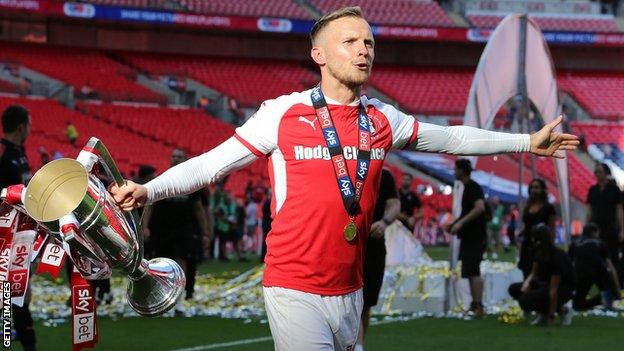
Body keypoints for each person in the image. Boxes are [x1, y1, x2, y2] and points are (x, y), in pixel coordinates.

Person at [108, 7, 578, 349]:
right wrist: (149, 189)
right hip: (294, 286)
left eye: (369, 42)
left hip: (349, 289)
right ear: (319, 54)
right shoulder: (283, 113)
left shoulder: (382, 119)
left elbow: (451, 139)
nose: (364, 49)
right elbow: (211, 164)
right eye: (350, 41)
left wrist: (524, 142)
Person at [141, 149, 210, 313]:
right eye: (173, 156)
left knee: (181, 261)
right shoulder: (161, 179)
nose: (176, 159)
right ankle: (162, 297)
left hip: (184, 229)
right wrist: (144, 226)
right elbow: (149, 205)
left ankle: (178, 300)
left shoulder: (193, 182)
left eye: (179, 157)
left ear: (185, 160)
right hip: (161, 229)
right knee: (161, 263)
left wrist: (205, 232)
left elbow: (199, 209)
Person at [0, 105, 36, 351]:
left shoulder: (19, 153)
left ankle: (23, 339)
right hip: (5, 234)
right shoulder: (3, 154)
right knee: (9, 292)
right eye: (29, 124)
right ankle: (22, 341)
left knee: (21, 292)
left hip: (22, 232)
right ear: (22, 126)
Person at [356, 169, 400, 351]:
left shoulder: (384, 175)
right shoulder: (341, 169)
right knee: (348, 300)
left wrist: (384, 222)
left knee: (365, 302)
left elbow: (394, 204)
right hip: (345, 244)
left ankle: (358, 344)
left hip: (373, 246)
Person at [508, 224, 575, 326]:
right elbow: (534, 273)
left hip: (564, 288)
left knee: (525, 300)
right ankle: (544, 312)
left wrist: (551, 317)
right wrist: (526, 284)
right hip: (546, 284)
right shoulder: (539, 253)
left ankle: (563, 311)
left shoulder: (556, 256)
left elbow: (553, 291)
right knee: (514, 289)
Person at [448, 158, 487, 317]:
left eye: (456, 169)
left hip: (475, 237)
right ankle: (475, 304)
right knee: (470, 271)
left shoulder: (472, 186)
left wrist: (460, 223)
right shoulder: (468, 187)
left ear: (462, 170)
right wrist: (455, 224)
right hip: (470, 236)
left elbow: (479, 208)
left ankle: (478, 305)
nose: (454, 172)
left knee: (473, 270)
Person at [569, 223, 621, 310]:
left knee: (577, 305)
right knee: (607, 282)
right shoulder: (600, 243)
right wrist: (617, 288)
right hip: (599, 271)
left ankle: (599, 300)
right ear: (594, 232)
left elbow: (570, 264)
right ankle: (606, 300)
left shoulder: (575, 244)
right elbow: (610, 266)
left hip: (581, 273)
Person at [586, 163, 624, 283]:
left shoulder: (614, 189)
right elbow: (589, 210)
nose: (597, 174)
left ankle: (615, 284)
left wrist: (622, 229)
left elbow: (619, 210)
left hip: (611, 227)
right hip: (596, 229)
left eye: (600, 171)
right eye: (596, 172)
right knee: (597, 257)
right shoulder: (592, 190)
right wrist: (586, 227)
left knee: (613, 256)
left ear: (606, 173)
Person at [518, 178, 556, 279]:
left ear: (543, 190)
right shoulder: (527, 207)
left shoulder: (548, 208)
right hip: (527, 245)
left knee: (539, 275)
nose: (533, 190)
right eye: (532, 187)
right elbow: (527, 225)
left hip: (541, 246)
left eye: (536, 187)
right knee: (526, 272)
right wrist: (519, 234)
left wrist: (551, 246)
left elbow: (552, 228)